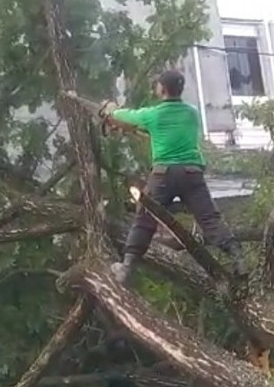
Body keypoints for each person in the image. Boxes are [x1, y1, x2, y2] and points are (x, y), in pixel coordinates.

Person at [101, 69, 246, 285]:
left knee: (144, 220)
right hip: (192, 173)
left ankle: (126, 267)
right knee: (210, 218)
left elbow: (125, 116)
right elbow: (170, 131)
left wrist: (110, 112)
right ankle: (238, 258)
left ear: (162, 88)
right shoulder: (192, 113)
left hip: (163, 175)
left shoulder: (153, 114)